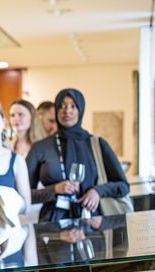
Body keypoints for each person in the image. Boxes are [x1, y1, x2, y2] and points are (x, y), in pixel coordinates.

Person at [26, 88, 129, 221]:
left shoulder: (97, 144)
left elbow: (123, 186)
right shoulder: (40, 147)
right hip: (52, 225)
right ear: (56, 110)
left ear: (80, 110)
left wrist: (98, 191)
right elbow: (24, 195)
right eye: (62, 106)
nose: (67, 111)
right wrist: (54, 190)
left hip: (91, 222)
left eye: (73, 106)